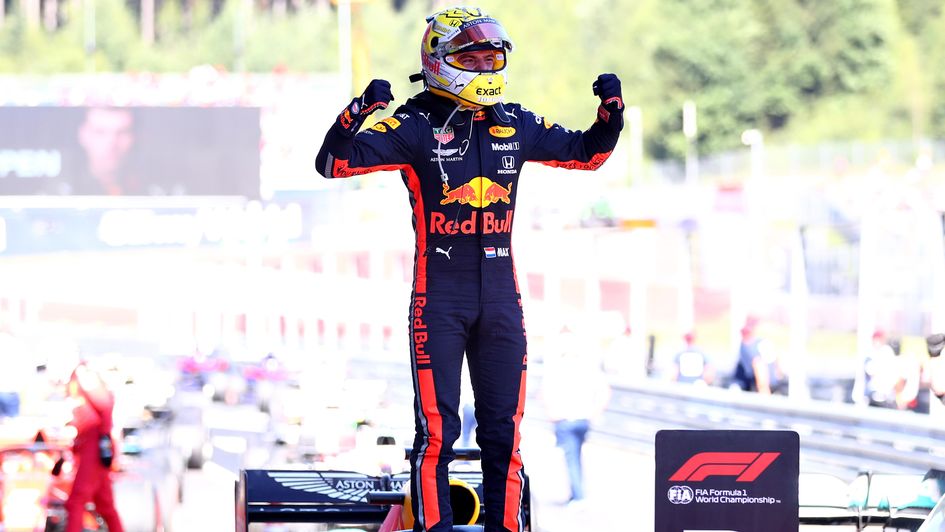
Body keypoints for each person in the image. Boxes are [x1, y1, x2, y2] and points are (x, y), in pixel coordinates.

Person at [315, 7, 623, 531]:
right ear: (439, 61)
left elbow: (587, 154)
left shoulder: (517, 122)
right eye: (471, 56)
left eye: (492, 55)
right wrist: (356, 113)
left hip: (503, 302)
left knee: (504, 434)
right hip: (439, 302)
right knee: (438, 434)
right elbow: (333, 163)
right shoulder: (411, 124)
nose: (484, 66)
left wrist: (611, 114)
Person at [541, 327, 610, 507]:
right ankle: (577, 494)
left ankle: (579, 497)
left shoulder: (557, 367)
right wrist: (594, 413)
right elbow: (605, 392)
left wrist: (551, 414)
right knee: (576, 457)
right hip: (583, 419)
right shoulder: (588, 367)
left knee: (571, 458)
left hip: (565, 419)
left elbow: (544, 393)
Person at [64, 363, 124, 532]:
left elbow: (105, 404)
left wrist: (103, 436)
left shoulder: (84, 375)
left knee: (76, 501)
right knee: (105, 505)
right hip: (91, 444)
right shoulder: (77, 377)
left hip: (93, 446)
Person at [71, 107, 144, 195]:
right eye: (100, 132)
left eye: (122, 132)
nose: (112, 143)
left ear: (134, 137)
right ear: (83, 135)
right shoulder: (62, 191)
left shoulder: (154, 192)